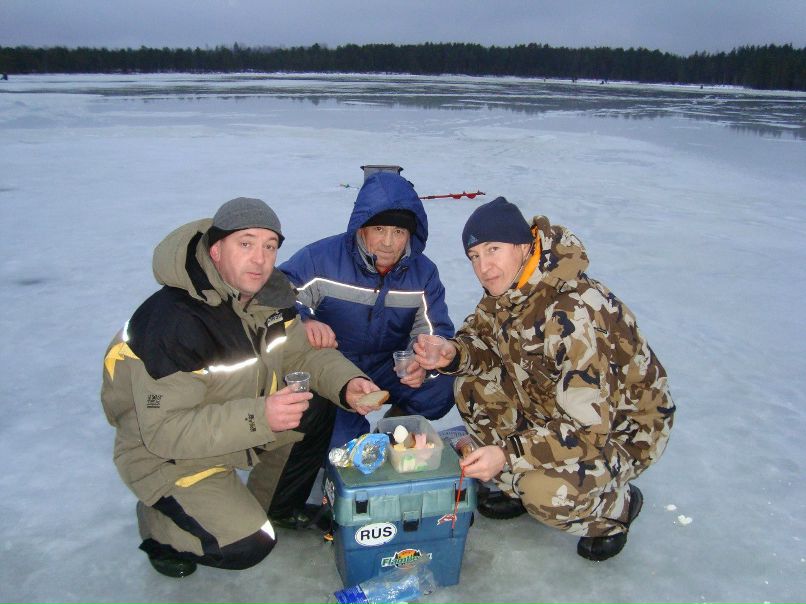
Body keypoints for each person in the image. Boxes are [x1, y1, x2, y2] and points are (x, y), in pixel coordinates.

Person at [101, 197, 382, 578]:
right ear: (216, 249)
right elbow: (165, 431)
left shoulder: (270, 299)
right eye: (246, 243)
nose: (260, 259)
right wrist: (261, 416)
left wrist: (347, 382)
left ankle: (274, 504)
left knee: (315, 403)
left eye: (269, 247)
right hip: (163, 452)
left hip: (231, 422)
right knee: (249, 544)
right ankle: (160, 521)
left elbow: (303, 356)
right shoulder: (174, 322)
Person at [414, 196, 675, 561]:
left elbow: (588, 429)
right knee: (472, 387)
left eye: (493, 250)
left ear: (523, 246)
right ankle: (514, 487)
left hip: (621, 432)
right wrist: (453, 354)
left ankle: (616, 507)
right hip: (554, 408)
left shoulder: (574, 311)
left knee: (543, 493)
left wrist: (506, 454)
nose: (484, 267)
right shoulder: (509, 291)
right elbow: (483, 342)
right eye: (474, 256)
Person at [277, 170, 455, 449]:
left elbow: (434, 331)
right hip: (337, 364)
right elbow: (277, 294)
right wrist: (304, 320)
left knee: (440, 386)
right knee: (342, 444)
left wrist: (420, 361)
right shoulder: (320, 259)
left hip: (389, 364)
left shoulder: (423, 274)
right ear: (362, 228)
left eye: (398, 232)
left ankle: (392, 436)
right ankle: (344, 442)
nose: (388, 242)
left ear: (410, 234)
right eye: (379, 229)